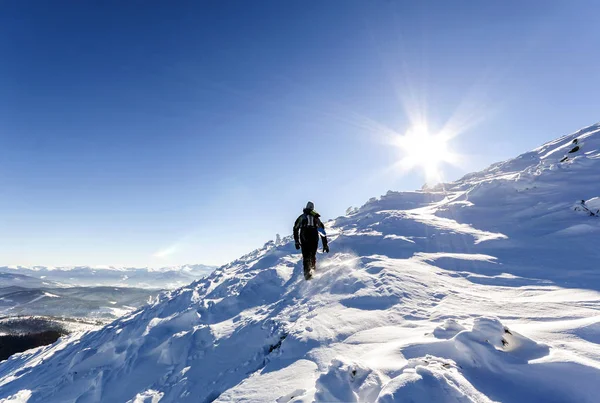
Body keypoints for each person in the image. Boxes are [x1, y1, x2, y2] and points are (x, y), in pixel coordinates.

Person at [293, 201, 329, 280]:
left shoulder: (302, 217)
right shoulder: (316, 218)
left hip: (304, 237)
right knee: (312, 255)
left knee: (306, 256)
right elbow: (322, 232)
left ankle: (308, 275)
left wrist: (296, 241)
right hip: (314, 237)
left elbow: (295, 228)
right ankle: (312, 271)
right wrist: (325, 244)